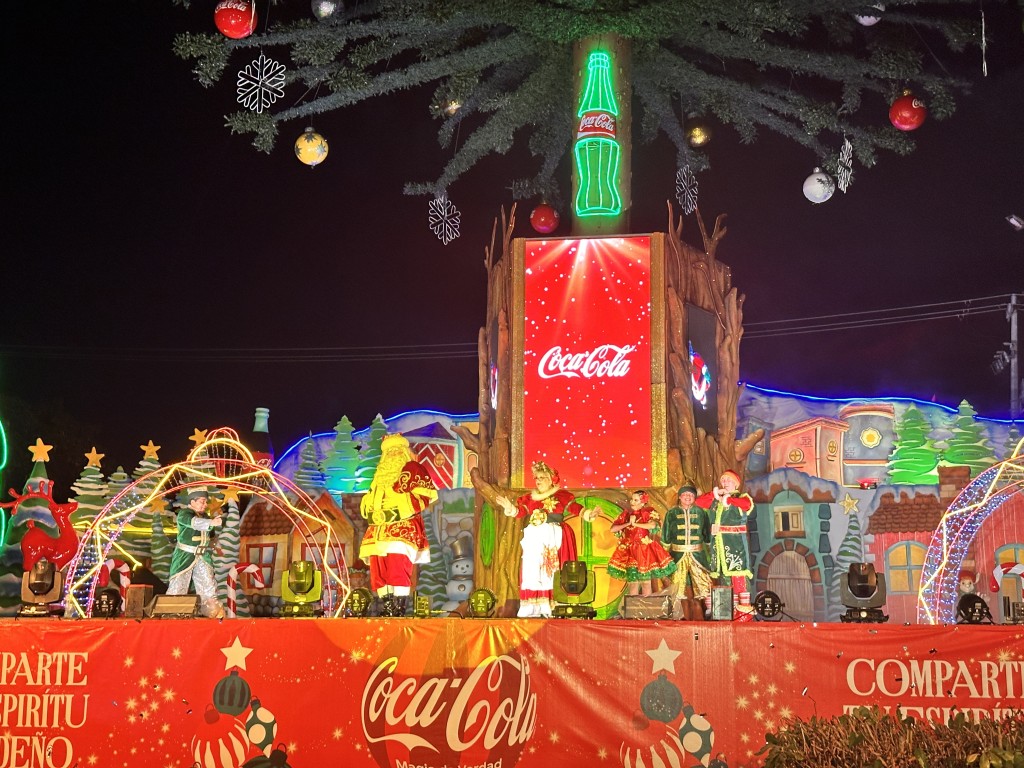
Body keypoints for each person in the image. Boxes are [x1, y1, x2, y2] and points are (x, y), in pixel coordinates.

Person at [496, 461, 594, 617]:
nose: (538, 480)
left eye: (542, 477)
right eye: (536, 478)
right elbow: (520, 512)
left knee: (550, 569)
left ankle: (552, 604)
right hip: (535, 537)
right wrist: (510, 508)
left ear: (551, 479)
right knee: (533, 570)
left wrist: (588, 514)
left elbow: (575, 508)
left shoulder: (561, 496)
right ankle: (533, 605)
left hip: (552, 536)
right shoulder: (530, 498)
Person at [359, 433, 438, 616]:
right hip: (378, 530)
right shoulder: (379, 477)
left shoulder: (412, 469)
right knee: (378, 570)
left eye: (396, 450)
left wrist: (398, 503)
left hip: (401, 528)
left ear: (403, 451)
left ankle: (400, 608)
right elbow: (368, 501)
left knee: (397, 567)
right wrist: (368, 505)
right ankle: (388, 607)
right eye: (389, 451)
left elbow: (424, 496)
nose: (392, 455)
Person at [697, 469, 754, 609]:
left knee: (738, 575)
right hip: (719, 546)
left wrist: (729, 499)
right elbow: (699, 502)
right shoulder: (716, 501)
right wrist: (715, 494)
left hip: (735, 545)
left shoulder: (742, 497)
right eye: (723, 480)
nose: (725, 482)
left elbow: (747, 505)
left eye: (728, 480)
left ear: (735, 483)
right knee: (724, 577)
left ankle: (743, 610)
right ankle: (729, 610)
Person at [606, 490, 676, 600]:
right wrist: (629, 523)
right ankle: (633, 611)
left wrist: (636, 524)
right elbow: (613, 528)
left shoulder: (647, 512)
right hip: (629, 551)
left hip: (644, 550)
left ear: (643, 502)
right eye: (632, 499)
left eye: (635, 500)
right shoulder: (626, 515)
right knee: (633, 582)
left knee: (645, 582)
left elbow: (653, 525)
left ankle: (645, 610)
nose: (632, 502)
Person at [167, 487, 225, 618]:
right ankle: (172, 614)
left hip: (203, 555)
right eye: (202, 501)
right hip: (185, 554)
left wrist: (217, 546)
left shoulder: (204, 516)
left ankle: (213, 612)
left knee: (208, 584)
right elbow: (195, 523)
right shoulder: (185, 514)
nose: (205, 505)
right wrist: (211, 522)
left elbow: (211, 537)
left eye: (205, 502)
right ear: (192, 501)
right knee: (179, 583)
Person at [663, 484, 714, 619]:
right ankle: (676, 613)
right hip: (678, 554)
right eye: (685, 495)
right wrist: (664, 548)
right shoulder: (671, 513)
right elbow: (666, 533)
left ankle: (709, 610)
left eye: (691, 495)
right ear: (680, 497)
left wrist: (709, 544)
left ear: (694, 498)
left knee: (703, 583)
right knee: (677, 585)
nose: (688, 497)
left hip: (697, 554)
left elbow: (706, 532)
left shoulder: (701, 512)